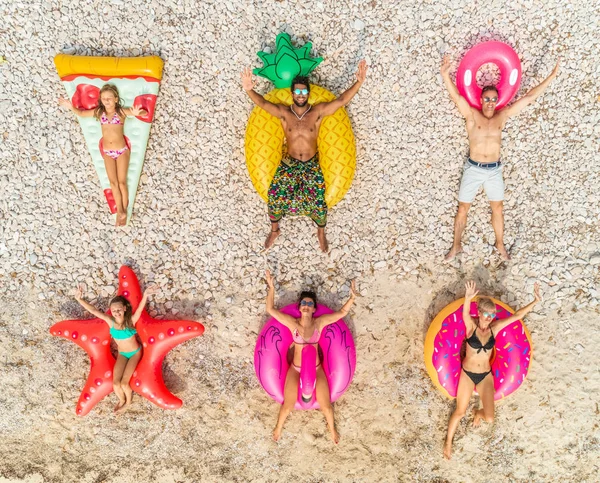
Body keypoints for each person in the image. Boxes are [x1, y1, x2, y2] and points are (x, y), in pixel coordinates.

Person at [441, 55, 559, 260]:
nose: (490, 103)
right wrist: (445, 75)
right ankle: (456, 246)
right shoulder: (472, 116)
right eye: (487, 99)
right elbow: (456, 98)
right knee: (462, 208)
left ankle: (500, 245)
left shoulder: (501, 117)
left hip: (494, 170)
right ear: (480, 99)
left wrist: (551, 76)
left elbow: (528, 98)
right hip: (474, 168)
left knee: (498, 208)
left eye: (494, 99)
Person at [241, 60, 368, 252]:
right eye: (297, 92)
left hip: (310, 163)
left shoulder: (317, 112)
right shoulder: (284, 113)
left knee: (318, 200)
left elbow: (341, 101)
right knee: (275, 194)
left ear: (308, 93)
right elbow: (263, 103)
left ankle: (321, 231)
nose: (301, 95)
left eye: (304, 92)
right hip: (289, 163)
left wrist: (358, 82)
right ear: (292, 94)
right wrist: (249, 89)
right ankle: (275, 229)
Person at [443, 280, 542, 459]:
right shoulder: (471, 327)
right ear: (479, 313)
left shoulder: (494, 329)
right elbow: (465, 314)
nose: (489, 317)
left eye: (492, 314)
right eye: (486, 314)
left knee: (489, 418)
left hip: (485, 376)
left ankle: (477, 413)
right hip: (467, 374)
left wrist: (535, 301)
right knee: (459, 411)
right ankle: (448, 442)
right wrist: (467, 298)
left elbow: (517, 316)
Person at [265, 270, 357, 443]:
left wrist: (352, 297)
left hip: (317, 370)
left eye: (309, 303)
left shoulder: (319, 323)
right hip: (295, 369)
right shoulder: (292, 324)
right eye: (304, 303)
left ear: (314, 308)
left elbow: (342, 313)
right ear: (300, 307)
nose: (306, 305)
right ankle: (278, 429)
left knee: (327, 408)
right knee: (287, 407)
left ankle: (333, 431)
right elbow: (270, 309)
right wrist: (271, 287)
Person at [59, 84, 147, 226]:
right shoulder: (100, 113)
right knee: (113, 183)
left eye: (109, 98)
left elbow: (141, 114)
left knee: (121, 182)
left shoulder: (121, 113)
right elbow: (81, 114)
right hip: (107, 152)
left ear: (116, 99)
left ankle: (123, 210)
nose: (106, 101)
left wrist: (137, 113)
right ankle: (121, 211)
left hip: (122, 151)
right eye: (104, 99)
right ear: (101, 100)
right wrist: (71, 107)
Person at [74, 284, 158, 413]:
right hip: (122, 354)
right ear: (111, 311)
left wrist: (145, 295)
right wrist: (79, 299)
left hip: (135, 353)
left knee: (124, 384)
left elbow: (140, 310)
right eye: (114, 311)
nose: (116, 313)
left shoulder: (130, 321)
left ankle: (128, 402)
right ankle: (121, 400)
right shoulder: (110, 321)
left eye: (119, 310)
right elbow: (94, 311)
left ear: (124, 308)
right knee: (115, 384)